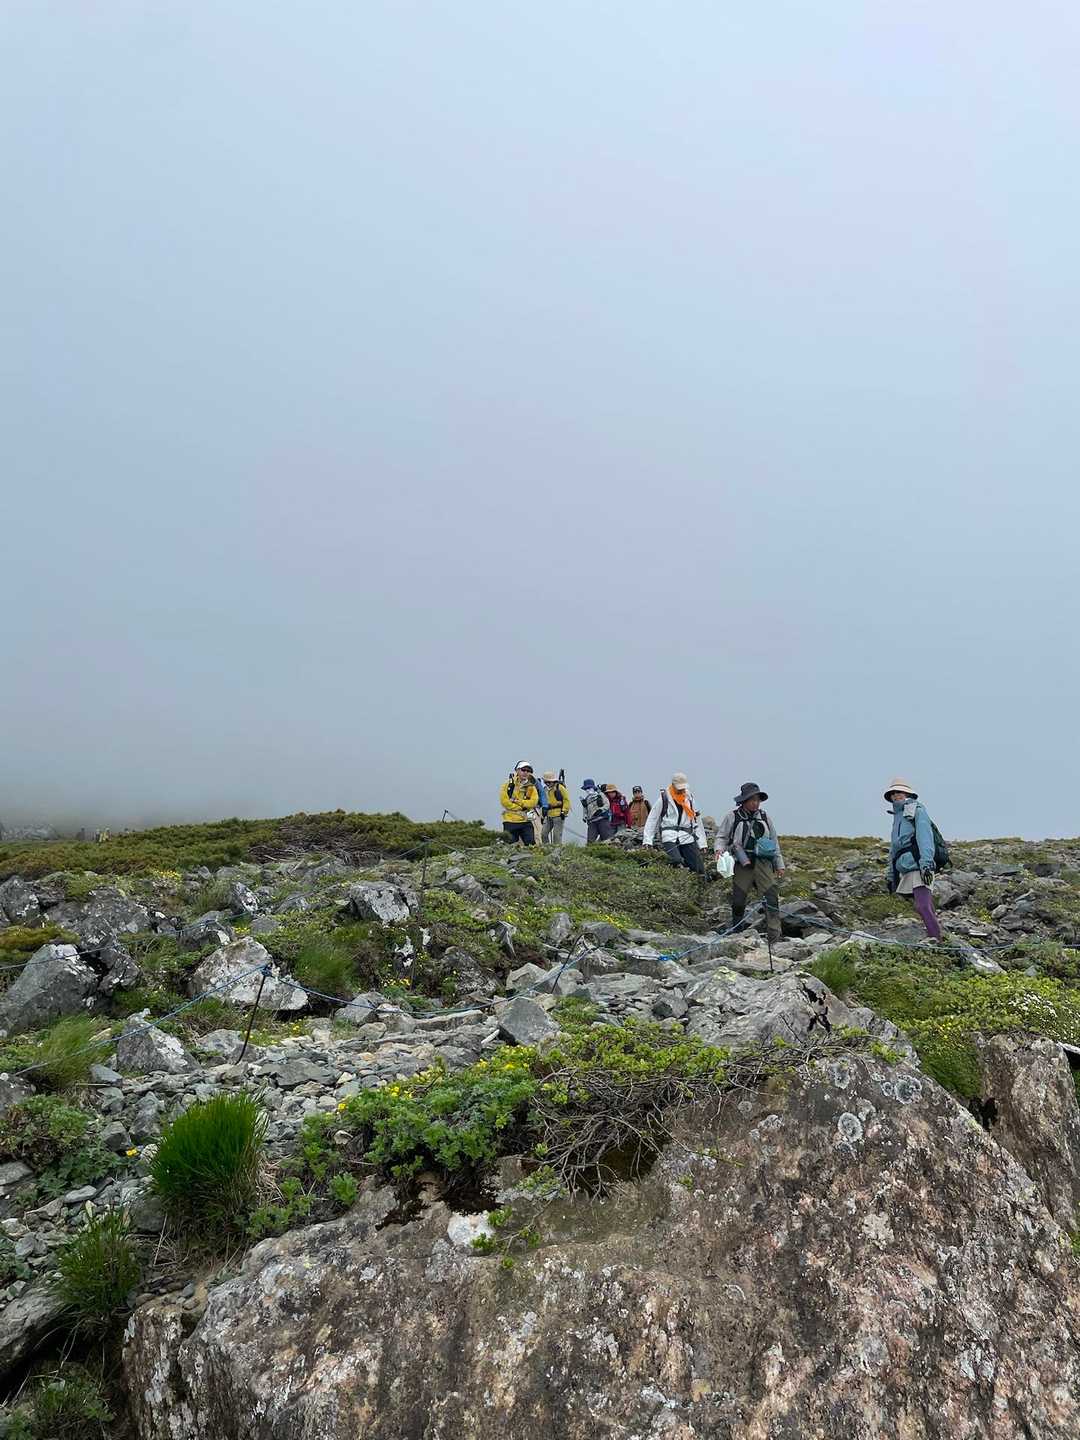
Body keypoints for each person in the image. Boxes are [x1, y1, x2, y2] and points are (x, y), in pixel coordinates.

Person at [716, 783, 784, 944]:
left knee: (771, 898)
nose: (755, 803)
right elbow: (722, 837)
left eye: (757, 800)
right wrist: (719, 850)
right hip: (742, 863)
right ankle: (737, 933)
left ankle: (774, 936)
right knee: (738, 901)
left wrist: (779, 864)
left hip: (764, 863)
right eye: (752, 800)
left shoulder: (765, 817)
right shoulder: (732, 816)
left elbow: (774, 841)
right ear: (744, 801)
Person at [885, 779, 943, 940]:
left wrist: (926, 864)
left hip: (918, 864)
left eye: (899, 792)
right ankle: (937, 936)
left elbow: (925, 837)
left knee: (922, 905)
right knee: (924, 905)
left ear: (908, 793)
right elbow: (894, 848)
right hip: (907, 867)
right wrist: (891, 875)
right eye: (893, 793)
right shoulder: (898, 816)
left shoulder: (917, 810)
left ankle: (936, 940)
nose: (896, 795)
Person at [642, 773, 708, 871]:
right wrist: (647, 840)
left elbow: (696, 821)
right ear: (673, 785)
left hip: (687, 836)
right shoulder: (664, 798)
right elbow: (652, 818)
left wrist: (702, 844)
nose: (681, 790)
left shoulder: (689, 798)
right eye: (679, 788)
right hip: (669, 835)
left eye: (683, 788)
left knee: (699, 869)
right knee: (676, 860)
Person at [500, 765, 540, 846]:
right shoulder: (508, 785)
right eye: (523, 770)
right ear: (517, 771)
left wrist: (518, 802)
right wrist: (523, 806)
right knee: (509, 845)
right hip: (510, 820)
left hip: (526, 820)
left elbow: (533, 802)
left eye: (528, 771)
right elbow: (505, 802)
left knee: (531, 844)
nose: (525, 772)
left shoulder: (531, 787)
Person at [541, 771, 571, 844]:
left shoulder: (560, 788)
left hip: (558, 815)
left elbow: (566, 800)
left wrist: (564, 811)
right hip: (548, 815)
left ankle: (557, 850)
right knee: (543, 834)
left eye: (549, 782)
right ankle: (547, 848)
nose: (547, 784)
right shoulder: (545, 789)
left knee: (556, 835)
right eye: (546, 782)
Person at [580, 779, 612, 843]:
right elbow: (585, 809)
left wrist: (601, 810)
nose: (587, 790)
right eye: (586, 789)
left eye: (589, 788)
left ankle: (609, 849)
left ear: (593, 788)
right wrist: (585, 817)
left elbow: (607, 804)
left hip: (602, 820)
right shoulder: (587, 799)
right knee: (590, 840)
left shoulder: (601, 795)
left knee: (606, 839)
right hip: (592, 821)